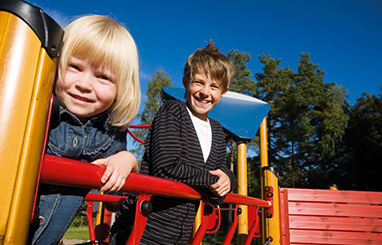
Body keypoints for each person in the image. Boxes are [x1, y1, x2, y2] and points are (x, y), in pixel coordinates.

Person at [28, 15, 141, 245]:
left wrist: (127, 158)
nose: (84, 84)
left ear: (121, 88)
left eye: (102, 77)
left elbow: (121, 163)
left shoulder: (109, 133)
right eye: (75, 67)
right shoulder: (32, 109)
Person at [110, 41, 236, 245]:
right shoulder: (173, 112)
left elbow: (217, 181)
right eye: (199, 82)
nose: (205, 92)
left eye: (214, 86)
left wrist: (227, 181)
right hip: (143, 229)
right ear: (186, 82)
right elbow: (167, 168)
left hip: (178, 235)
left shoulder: (217, 131)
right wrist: (212, 182)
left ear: (223, 92)